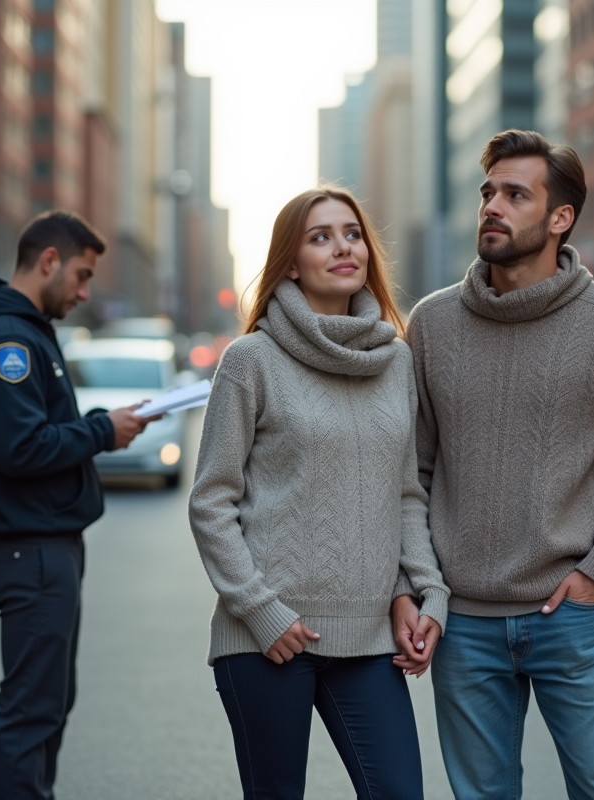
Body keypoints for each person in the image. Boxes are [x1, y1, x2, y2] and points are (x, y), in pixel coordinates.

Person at [394, 130, 594, 799]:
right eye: (488, 191)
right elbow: (411, 475)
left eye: (515, 194)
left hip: (571, 615)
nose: (492, 205)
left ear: (560, 218)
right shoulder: (431, 325)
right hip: (462, 622)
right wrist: (422, 585)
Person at [188, 187, 449, 800]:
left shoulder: (397, 362)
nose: (343, 247)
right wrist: (260, 610)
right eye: (321, 236)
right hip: (268, 639)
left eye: (352, 233)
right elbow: (211, 502)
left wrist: (424, 589)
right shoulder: (251, 360)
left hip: (367, 640)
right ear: (289, 262)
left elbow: (404, 493)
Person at [0, 210, 151, 800]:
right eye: (82, 276)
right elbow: (21, 447)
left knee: (48, 703)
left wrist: (95, 428)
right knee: (32, 711)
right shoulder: (8, 340)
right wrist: (102, 432)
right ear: (49, 261)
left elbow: (34, 433)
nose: (86, 292)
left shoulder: (24, 331)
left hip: (41, 547)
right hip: (30, 550)